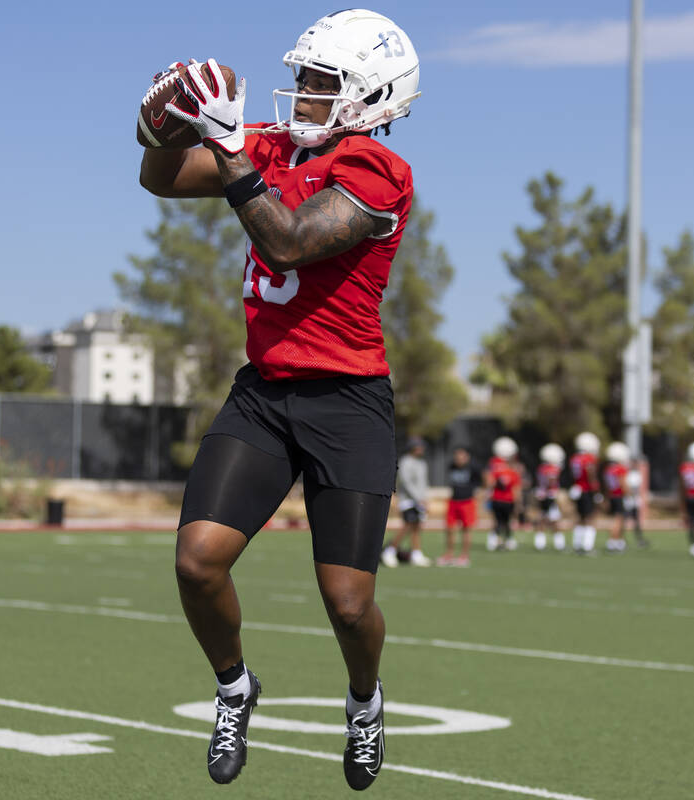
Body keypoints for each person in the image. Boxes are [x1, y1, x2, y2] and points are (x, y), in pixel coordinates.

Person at [140, 9, 420, 789]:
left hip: (349, 401)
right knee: (197, 563)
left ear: (372, 97)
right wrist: (158, 121)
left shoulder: (377, 171)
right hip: (265, 392)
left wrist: (231, 152)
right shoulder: (264, 144)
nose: (302, 94)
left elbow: (288, 240)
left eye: (323, 83)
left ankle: (365, 704)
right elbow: (159, 179)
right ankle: (235, 688)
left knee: (348, 604)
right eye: (303, 77)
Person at [382, 437, 431, 568]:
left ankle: (416, 554)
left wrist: (425, 498)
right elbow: (406, 482)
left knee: (417, 526)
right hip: (408, 501)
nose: (421, 449)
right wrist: (418, 498)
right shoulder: (405, 462)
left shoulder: (422, 463)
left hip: (420, 500)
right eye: (419, 446)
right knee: (407, 525)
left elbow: (423, 483)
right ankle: (389, 551)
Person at [438, 446, 479, 566]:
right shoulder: (452, 466)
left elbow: (485, 480)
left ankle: (464, 556)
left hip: (467, 502)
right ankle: (449, 554)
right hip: (453, 501)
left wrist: (481, 494)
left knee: (466, 529)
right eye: (457, 455)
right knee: (449, 529)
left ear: (467, 456)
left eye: (461, 455)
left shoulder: (473, 468)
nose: (458, 458)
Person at [485, 436, 522, 551]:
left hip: (502, 499)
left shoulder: (506, 470)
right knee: (501, 521)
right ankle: (499, 540)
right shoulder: (507, 470)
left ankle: (502, 540)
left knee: (502, 521)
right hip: (501, 499)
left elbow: (489, 482)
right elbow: (489, 482)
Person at [569, 432, 601, 554]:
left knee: (580, 517)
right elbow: (590, 473)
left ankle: (577, 544)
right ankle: (587, 546)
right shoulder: (589, 458)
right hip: (587, 490)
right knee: (590, 517)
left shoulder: (574, 458)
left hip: (577, 489)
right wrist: (596, 489)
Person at [533, 443, 567, 551]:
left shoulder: (541, 468)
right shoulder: (552, 468)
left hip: (543, 495)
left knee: (543, 519)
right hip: (549, 496)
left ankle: (540, 543)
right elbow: (551, 481)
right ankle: (559, 543)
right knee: (554, 520)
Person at [601, 441, 631, 553]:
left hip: (611, 495)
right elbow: (623, 483)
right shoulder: (620, 468)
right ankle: (612, 542)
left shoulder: (607, 469)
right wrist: (629, 495)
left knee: (615, 519)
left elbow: (606, 485)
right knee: (619, 519)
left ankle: (618, 541)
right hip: (619, 496)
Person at [623, 458, 650, 549]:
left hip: (634, 500)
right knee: (624, 520)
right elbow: (629, 488)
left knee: (636, 521)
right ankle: (621, 539)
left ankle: (639, 539)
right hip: (629, 500)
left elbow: (637, 489)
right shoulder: (628, 474)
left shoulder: (637, 474)